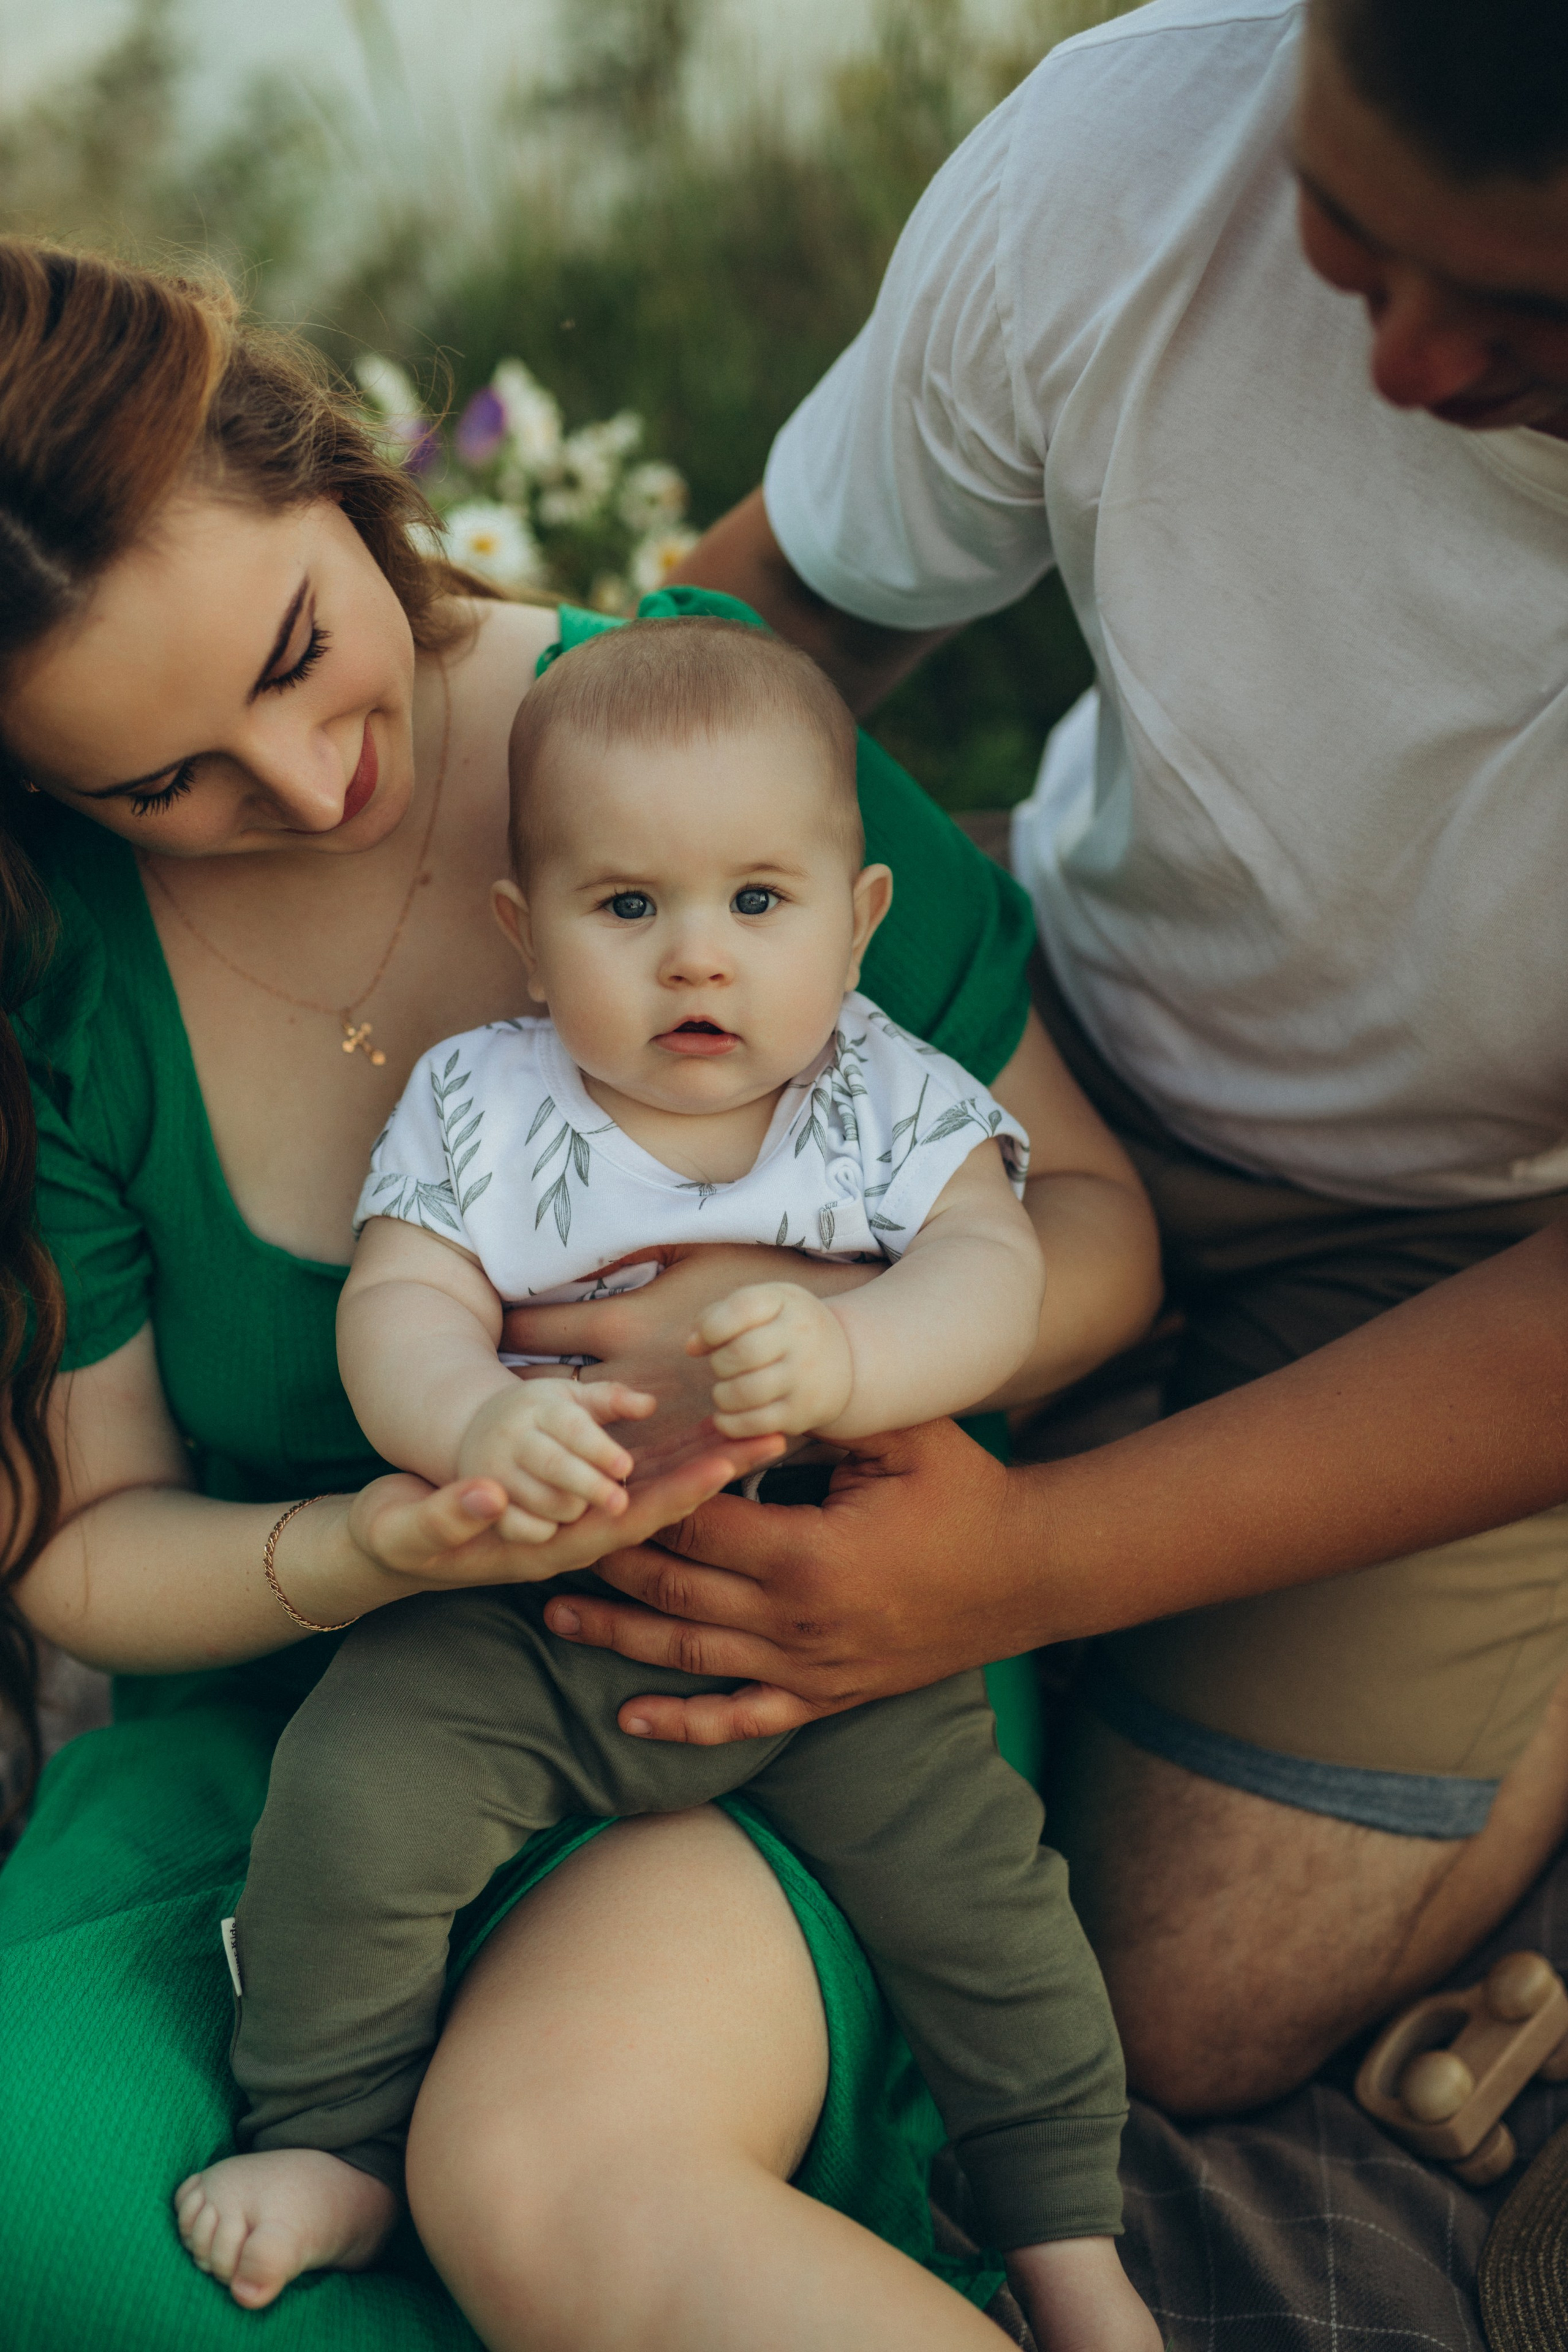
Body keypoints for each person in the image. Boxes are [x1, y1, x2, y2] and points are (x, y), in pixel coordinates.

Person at [0, 242, 1161, 2351]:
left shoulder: (705, 740)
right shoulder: (54, 967)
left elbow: (1080, 1225)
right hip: (306, 1723)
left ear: (334, 477)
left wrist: (815, 1339)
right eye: (153, 782)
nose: (299, 788)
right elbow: (85, 1545)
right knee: (48, 2199)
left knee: (549, 2170)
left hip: (775, 1642)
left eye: (296, 653)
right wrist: (367, 1538)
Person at [520, 0, 1568, 2121]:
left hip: (1475, 1256)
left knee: (1165, 2012)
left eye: (1535, 310)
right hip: (1036, 1035)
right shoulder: (1125, 148)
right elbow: (774, 620)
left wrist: (1026, 1569)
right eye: (1347, 241)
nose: (1409, 374)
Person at [176, 616, 1159, 2349]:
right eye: (627, 909)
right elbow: (404, 1302)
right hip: (535, 1610)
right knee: (346, 1801)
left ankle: (1068, 2231)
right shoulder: (483, 1105)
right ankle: (332, 2133)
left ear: (859, 922)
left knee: (991, 1914)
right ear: (525, 936)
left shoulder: (882, 1097)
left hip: (834, 1613)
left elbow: (993, 1274)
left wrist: (859, 1359)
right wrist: (474, 1418)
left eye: (757, 905)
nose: (697, 960)